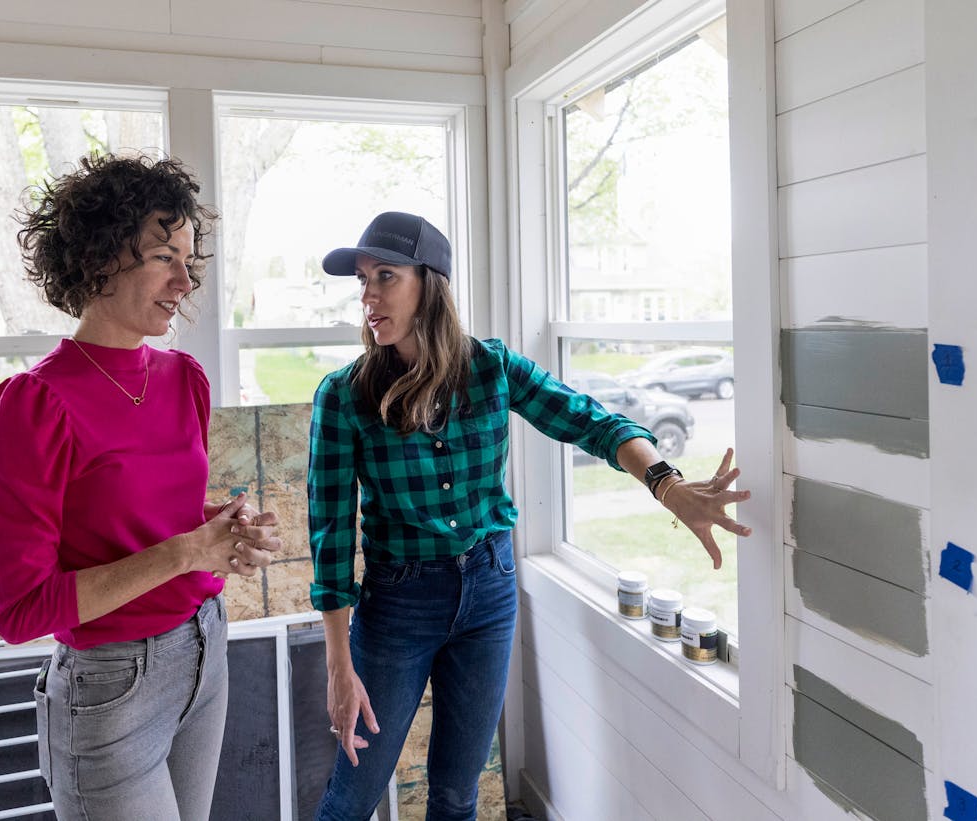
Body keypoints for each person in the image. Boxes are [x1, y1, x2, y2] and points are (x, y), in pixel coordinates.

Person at [307, 211, 751, 821]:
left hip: (489, 592)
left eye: (385, 275)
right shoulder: (344, 394)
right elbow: (330, 533)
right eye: (362, 280)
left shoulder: (491, 368)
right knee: (353, 796)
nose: (369, 296)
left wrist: (667, 486)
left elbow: (593, 422)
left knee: (459, 796)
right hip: (397, 605)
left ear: (430, 284)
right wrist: (338, 665)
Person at [0, 154, 281, 821]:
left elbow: (149, 512)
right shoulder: (34, 404)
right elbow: (20, 609)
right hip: (111, 684)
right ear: (101, 256)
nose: (183, 280)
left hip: (205, 647)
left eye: (189, 260)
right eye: (164, 256)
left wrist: (223, 528)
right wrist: (189, 551)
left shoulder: (184, 379)